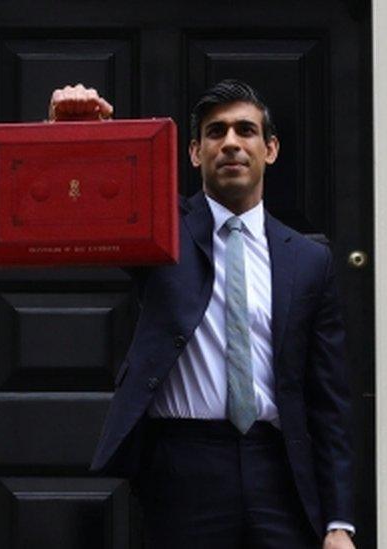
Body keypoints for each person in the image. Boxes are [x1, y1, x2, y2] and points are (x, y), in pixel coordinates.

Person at [49, 81, 356, 549]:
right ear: (195, 152)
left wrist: (339, 523)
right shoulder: (159, 228)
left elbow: (329, 400)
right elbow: (89, 202)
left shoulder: (309, 261)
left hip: (277, 467)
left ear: (269, 149)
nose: (230, 142)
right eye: (216, 132)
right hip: (183, 465)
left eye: (245, 130)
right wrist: (72, 133)